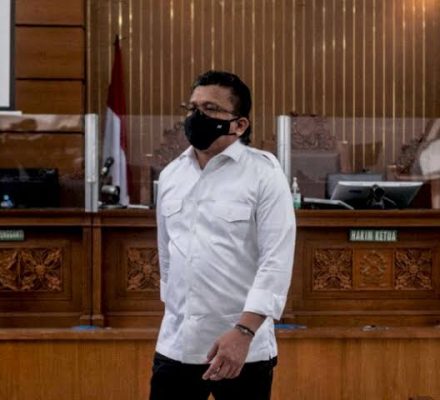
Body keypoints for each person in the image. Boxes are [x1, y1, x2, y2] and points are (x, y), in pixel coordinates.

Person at [150, 70, 296, 400]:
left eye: (211, 109)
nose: (197, 116)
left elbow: (276, 261)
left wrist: (244, 331)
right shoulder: (172, 175)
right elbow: (167, 257)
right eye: (192, 108)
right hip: (176, 344)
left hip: (242, 348)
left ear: (239, 124)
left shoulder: (264, 173)